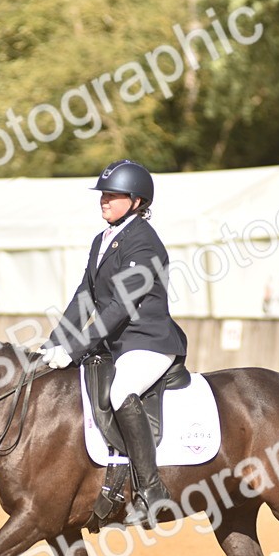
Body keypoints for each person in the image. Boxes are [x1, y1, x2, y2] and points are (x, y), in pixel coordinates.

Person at [37, 160, 188, 527]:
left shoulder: (145, 243)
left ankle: (152, 491)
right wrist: (54, 344)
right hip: (116, 344)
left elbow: (121, 305)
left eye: (112, 195)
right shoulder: (101, 240)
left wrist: (73, 349)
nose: (103, 201)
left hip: (149, 342)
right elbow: (85, 296)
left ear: (136, 201)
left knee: (121, 392)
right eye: (103, 195)